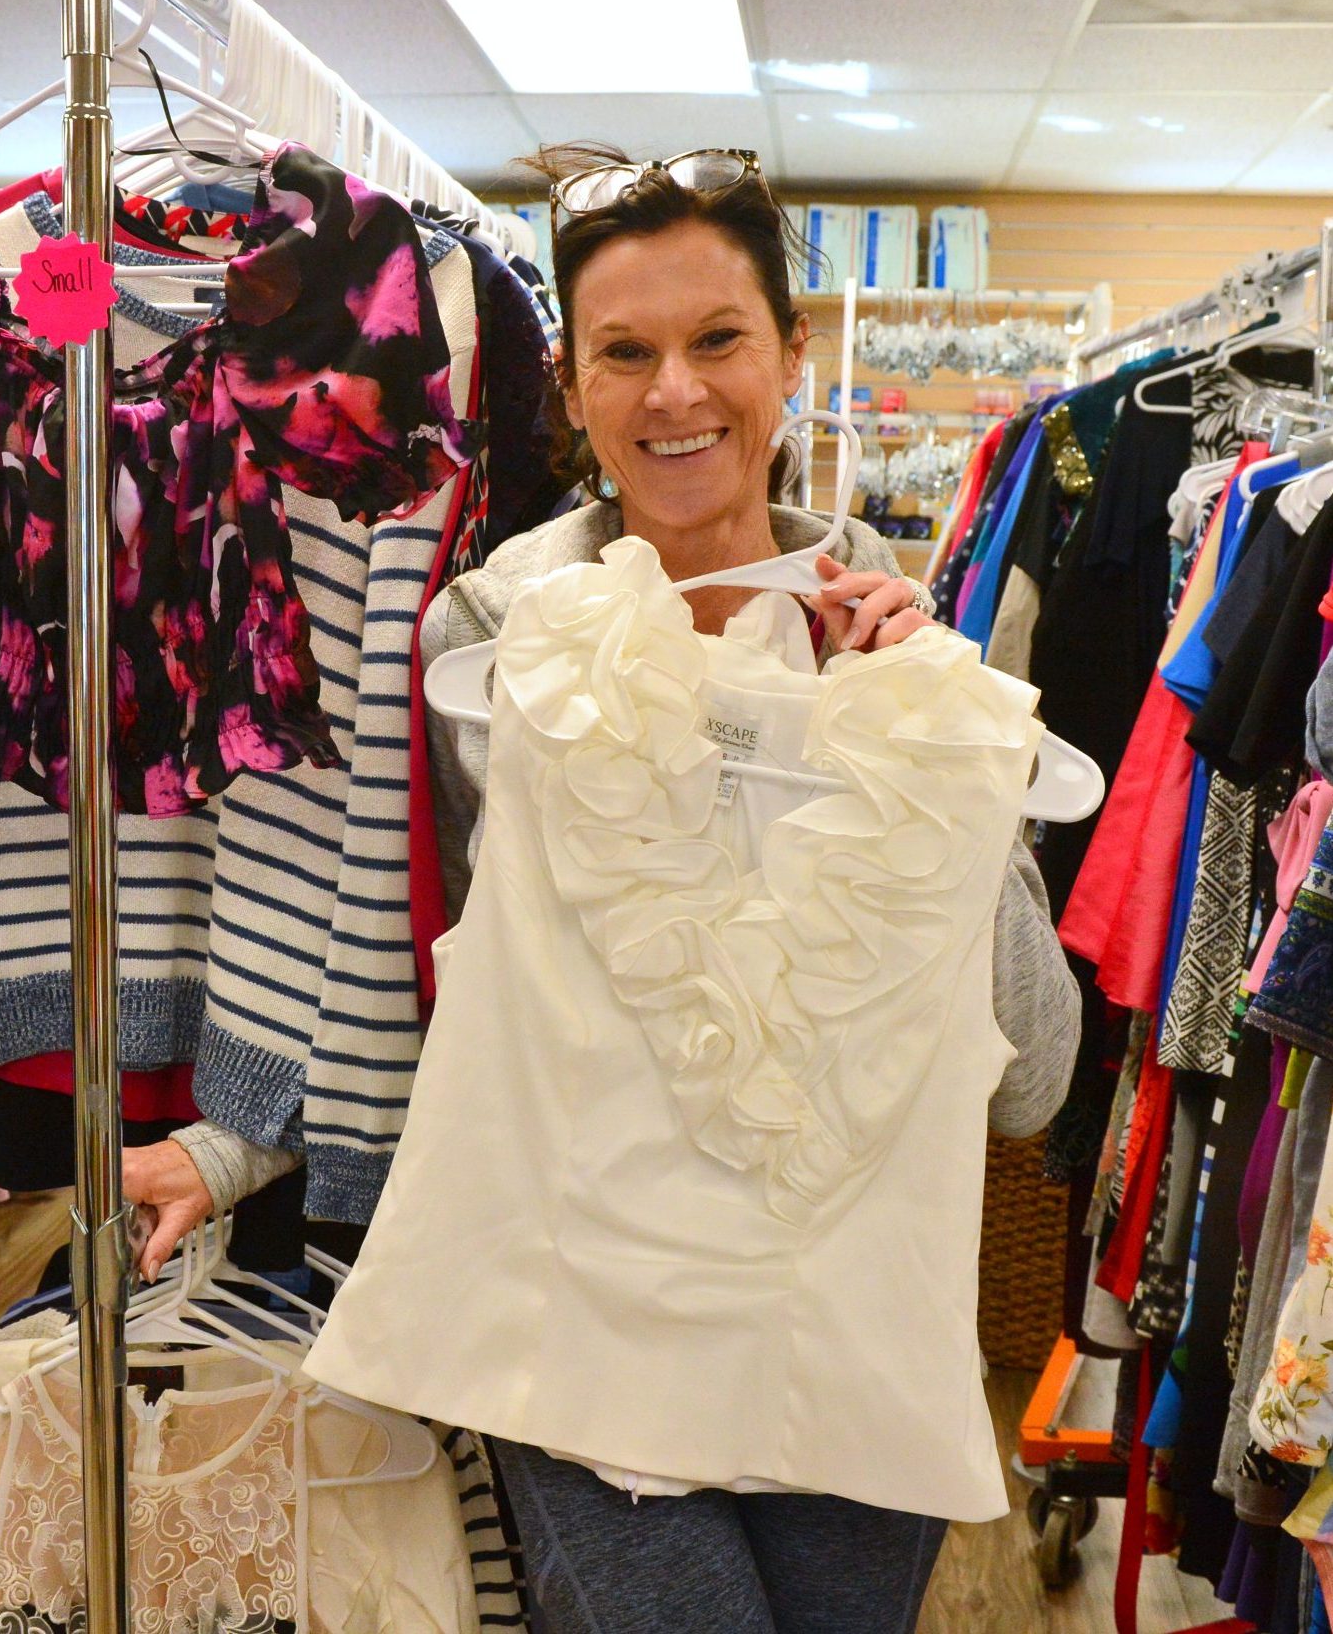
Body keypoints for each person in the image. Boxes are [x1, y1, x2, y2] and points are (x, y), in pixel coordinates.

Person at [123, 144, 1081, 1632]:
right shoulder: (482, 653)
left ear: (791, 358)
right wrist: (237, 1149)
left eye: (718, 342)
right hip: (579, 1333)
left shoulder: (914, 659)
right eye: (626, 354)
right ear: (569, 387)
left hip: (845, 1329)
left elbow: (1032, 1081)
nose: (675, 395)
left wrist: (936, 758)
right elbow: (388, 949)